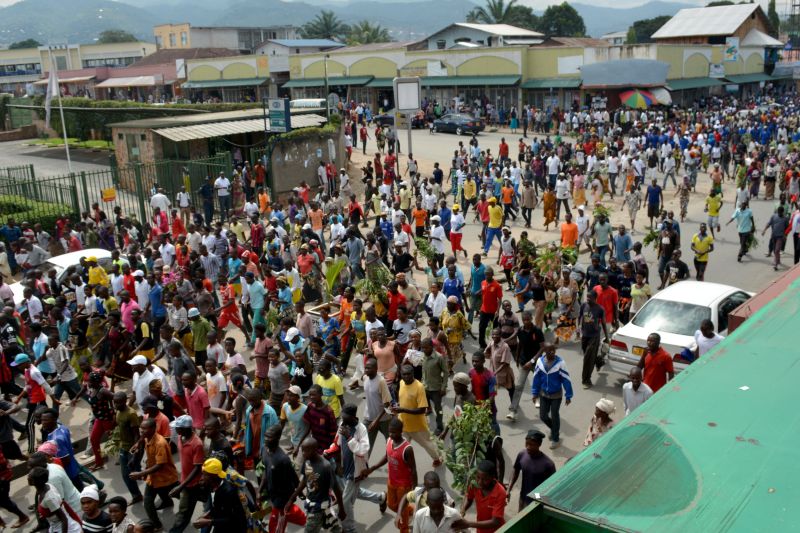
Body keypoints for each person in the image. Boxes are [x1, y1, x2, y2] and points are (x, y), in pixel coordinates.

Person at [325, 404, 387, 533]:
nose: (342, 417)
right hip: (343, 468)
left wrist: (349, 437)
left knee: (346, 502)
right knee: (354, 492)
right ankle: (380, 498)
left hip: (356, 471)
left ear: (352, 416)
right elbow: (336, 443)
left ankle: (349, 529)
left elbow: (363, 451)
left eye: (344, 415)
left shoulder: (361, 429)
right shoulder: (342, 424)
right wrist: (328, 453)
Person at [358, 417, 417, 533]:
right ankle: (410, 509)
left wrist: (414, 489)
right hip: (391, 481)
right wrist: (372, 468)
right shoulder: (389, 440)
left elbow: (414, 470)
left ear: (401, 431)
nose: (391, 434)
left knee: (402, 511)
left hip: (404, 485)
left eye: (394, 432)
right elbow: (387, 457)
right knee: (391, 505)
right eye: (390, 431)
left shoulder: (407, 449)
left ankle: (404, 529)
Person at [286, 438, 346, 533]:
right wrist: (292, 498)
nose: (303, 453)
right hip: (312, 504)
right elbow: (306, 479)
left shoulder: (325, 467)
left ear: (314, 450)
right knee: (335, 529)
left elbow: (337, 489)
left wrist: (342, 509)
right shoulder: (307, 462)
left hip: (318, 508)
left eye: (305, 450)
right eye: (302, 450)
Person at [130, 418, 179, 530]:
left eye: (144, 429)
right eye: (141, 428)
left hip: (166, 477)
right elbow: (142, 439)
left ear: (153, 429)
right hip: (154, 478)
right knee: (150, 499)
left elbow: (160, 465)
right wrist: (138, 444)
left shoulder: (160, 443)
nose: (141, 431)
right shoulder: (147, 437)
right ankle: (158, 521)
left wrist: (140, 473)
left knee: (179, 494)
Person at [392, 365, 442, 466]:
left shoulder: (419, 387)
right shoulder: (401, 383)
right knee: (401, 446)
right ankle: (402, 463)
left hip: (418, 426)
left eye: (408, 374)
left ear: (413, 374)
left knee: (428, 445)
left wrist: (403, 409)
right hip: (404, 424)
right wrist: (398, 406)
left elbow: (422, 410)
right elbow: (401, 399)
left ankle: (437, 458)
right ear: (401, 375)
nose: (406, 377)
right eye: (404, 374)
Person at [260, 424, 306, 532]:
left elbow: (293, 477)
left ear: (277, 438)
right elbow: (265, 470)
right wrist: (260, 490)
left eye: (269, 437)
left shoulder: (283, 459)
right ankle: (302, 518)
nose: (266, 439)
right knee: (287, 511)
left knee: (276, 524)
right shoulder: (264, 449)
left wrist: (298, 493)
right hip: (272, 492)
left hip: (282, 497)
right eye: (265, 436)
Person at [168, 415, 207, 533]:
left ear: (186, 428)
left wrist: (180, 487)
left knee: (183, 513)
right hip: (184, 479)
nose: (176, 430)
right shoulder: (181, 437)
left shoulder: (197, 444)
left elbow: (197, 469)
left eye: (178, 428)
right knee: (186, 505)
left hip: (192, 484)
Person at [530, 343, 573, 449]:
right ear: (545, 351)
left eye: (554, 350)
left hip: (556, 395)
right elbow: (536, 378)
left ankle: (555, 439)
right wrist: (535, 393)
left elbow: (566, 380)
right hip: (544, 394)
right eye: (550, 350)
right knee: (543, 416)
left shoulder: (560, 363)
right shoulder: (540, 362)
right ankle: (555, 430)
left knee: (554, 415)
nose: (552, 352)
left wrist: (568, 395)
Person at [191, 458, 248, 532]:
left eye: (205, 475)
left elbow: (233, 519)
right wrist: (208, 513)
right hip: (221, 524)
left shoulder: (228, 492)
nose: (202, 478)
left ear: (213, 476)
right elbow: (218, 506)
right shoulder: (213, 485)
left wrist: (209, 522)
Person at [507, 429, 555, 511]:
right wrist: (508, 489)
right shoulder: (522, 455)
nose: (528, 447)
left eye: (532, 444)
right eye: (527, 443)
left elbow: (552, 487)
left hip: (537, 502)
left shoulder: (548, 464)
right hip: (523, 498)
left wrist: (542, 502)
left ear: (539, 444)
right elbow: (516, 470)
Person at [28, 466, 83, 533]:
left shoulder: (49, 499)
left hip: (65, 529)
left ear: (38, 481)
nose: (28, 477)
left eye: (30, 477)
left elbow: (63, 519)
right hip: (55, 526)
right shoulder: (45, 487)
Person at [460, 459, 507, 532]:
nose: (480, 482)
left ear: (492, 477)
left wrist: (468, 524)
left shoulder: (500, 492)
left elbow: (495, 522)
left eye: (485, 479)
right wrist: (463, 509)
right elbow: (469, 499)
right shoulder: (474, 484)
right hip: (481, 529)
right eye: (478, 477)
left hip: (497, 530)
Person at [578, 291, 610, 389]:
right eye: (587, 297)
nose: (588, 299)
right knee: (589, 356)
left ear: (595, 298)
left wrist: (607, 338)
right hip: (585, 335)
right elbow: (579, 317)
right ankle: (599, 361)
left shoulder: (600, 309)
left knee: (587, 358)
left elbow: (604, 323)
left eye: (590, 297)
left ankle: (586, 380)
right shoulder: (584, 305)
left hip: (594, 336)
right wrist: (578, 329)